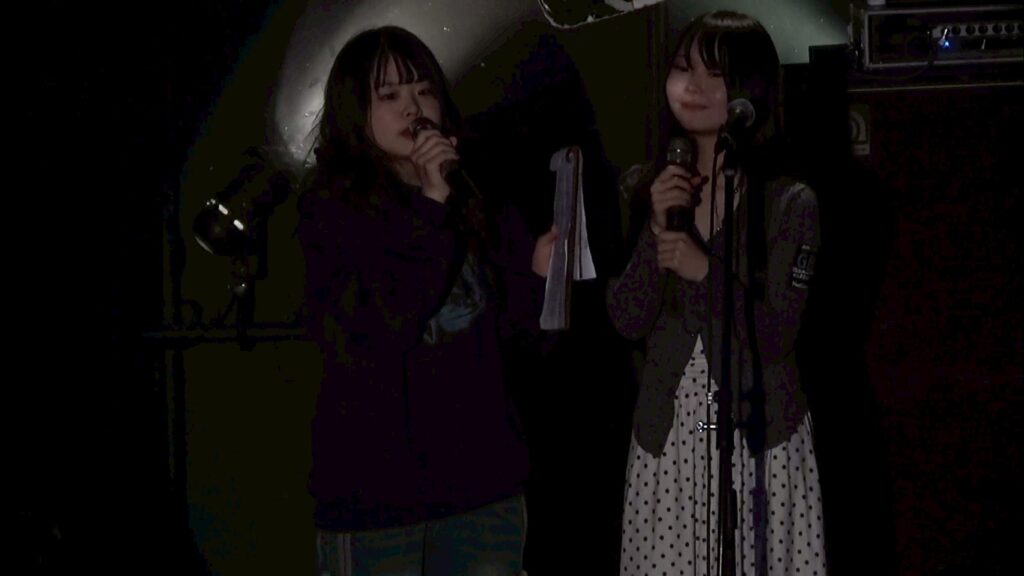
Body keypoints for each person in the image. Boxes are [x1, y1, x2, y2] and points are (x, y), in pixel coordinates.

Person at [296, 25, 557, 576]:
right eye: (388, 95)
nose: (412, 107)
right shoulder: (330, 210)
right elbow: (375, 330)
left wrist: (539, 276)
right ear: (355, 110)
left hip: (483, 491)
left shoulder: (475, 196)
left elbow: (520, 343)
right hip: (378, 499)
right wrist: (430, 202)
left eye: (423, 90)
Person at [607, 11, 826, 575]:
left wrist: (705, 271)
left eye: (716, 74)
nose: (694, 86)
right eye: (684, 67)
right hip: (668, 443)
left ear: (750, 91)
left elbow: (774, 337)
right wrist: (657, 228)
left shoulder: (787, 203)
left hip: (760, 446)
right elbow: (627, 318)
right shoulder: (643, 187)